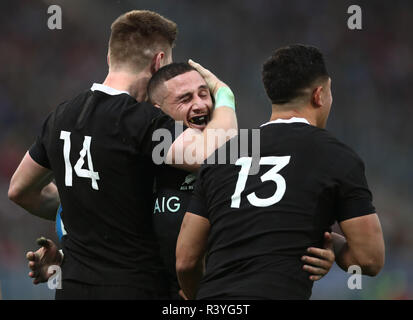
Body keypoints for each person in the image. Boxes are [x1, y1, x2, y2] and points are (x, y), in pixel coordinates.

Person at [23, 62, 335, 300]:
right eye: (185, 99)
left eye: (205, 94)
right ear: (157, 114)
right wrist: (61, 262)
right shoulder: (133, 168)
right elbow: (103, 246)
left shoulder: (242, 150)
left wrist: (323, 252)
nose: (200, 105)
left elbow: (283, 220)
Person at [8, 10, 237, 299]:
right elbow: (214, 154)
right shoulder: (140, 121)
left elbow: (20, 190)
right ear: (158, 62)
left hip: (72, 289)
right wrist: (225, 96)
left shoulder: (61, 115)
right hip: (135, 288)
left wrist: (84, 208)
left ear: (110, 58)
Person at [176, 44, 385, 300]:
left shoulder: (222, 154)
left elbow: (186, 260)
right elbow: (370, 259)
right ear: (319, 95)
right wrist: (333, 245)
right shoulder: (337, 156)